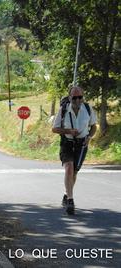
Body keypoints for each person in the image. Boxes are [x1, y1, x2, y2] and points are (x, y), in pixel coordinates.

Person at [52, 86, 97, 215]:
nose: (77, 100)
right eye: (75, 97)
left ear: (83, 97)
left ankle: (67, 194)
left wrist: (89, 137)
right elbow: (54, 129)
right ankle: (70, 201)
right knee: (69, 168)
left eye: (80, 97)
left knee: (75, 172)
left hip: (82, 144)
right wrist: (68, 131)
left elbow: (93, 126)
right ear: (70, 97)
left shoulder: (88, 109)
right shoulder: (64, 109)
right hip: (67, 143)